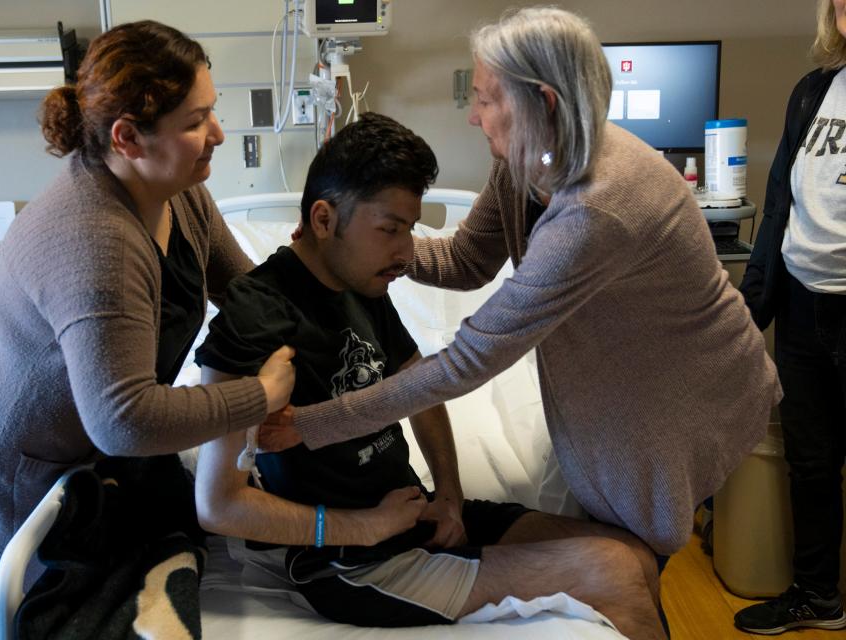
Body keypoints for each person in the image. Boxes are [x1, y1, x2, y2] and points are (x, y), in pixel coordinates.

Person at [267, 6, 782, 559]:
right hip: (623, 365)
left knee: (640, 552)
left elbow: (468, 361)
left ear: (543, 104)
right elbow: (466, 260)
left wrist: (310, 424)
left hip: (681, 386)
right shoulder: (527, 159)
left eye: (486, 99)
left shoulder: (597, 210)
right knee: (621, 546)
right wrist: (378, 242)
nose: (473, 115)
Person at [194, 112, 666, 639]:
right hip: (351, 565)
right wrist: (362, 526)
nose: (405, 252)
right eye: (390, 230)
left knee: (633, 552)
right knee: (614, 572)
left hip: (414, 519)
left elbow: (421, 392)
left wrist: (449, 495)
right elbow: (218, 504)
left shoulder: (361, 284)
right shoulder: (255, 317)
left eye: (411, 230)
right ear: (324, 219)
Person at [0, 21, 295, 639]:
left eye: (214, 111)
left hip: (90, 441)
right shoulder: (95, 239)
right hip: (19, 458)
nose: (218, 135)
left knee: (169, 526)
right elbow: (124, 420)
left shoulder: (179, 191)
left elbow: (245, 291)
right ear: (127, 137)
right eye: (194, 122)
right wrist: (260, 396)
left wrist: (324, 309)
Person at [734, 0, 846, 634]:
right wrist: (752, 310)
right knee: (810, 462)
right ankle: (818, 598)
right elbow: (778, 206)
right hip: (804, 304)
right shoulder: (814, 92)